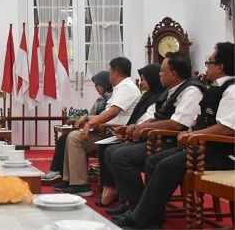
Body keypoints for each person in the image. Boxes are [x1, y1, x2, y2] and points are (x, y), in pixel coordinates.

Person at [114, 42, 235, 229]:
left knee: (165, 165)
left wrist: (194, 135)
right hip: (205, 147)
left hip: (223, 153)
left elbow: (227, 128)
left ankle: (140, 220)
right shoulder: (217, 88)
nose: (207, 65)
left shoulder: (231, 90)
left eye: (209, 62)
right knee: (154, 161)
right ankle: (152, 219)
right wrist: (193, 131)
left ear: (220, 67)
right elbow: (203, 119)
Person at [105, 51, 205, 218]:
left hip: (172, 142)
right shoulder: (169, 91)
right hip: (159, 138)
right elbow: (154, 115)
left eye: (162, 71)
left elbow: (178, 124)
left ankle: (139, 209)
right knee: (111, 151)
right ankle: (132, 203)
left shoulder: (191, 90)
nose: (159, 74)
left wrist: (145, 129)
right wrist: (136, 126)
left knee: (122, 156)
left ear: (173, 74)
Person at [53, 57, 141, 196]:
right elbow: (107, 113)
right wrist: (87, 117)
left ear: (116, 73)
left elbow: (113, 112)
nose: (109, 74)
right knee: (72, 136)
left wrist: (89, 123)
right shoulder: (120, 88)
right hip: (107, 129)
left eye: (110, 71)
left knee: (75, 138)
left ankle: (81, 185)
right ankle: (70, 180)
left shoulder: (127, 88)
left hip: (117, 132)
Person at [96, 63, 165, 207]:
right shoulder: (147, 96)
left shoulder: (159, 97)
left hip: (154, 139)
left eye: (145, 79)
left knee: (116, 152)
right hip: (137, 134)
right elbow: (139, 119)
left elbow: (152, 120)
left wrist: (132, 132)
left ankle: (135, 203)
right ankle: (125, 199)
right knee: (110, 149)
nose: (143, 83)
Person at [42, 71, 113, 183]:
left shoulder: (112, 98)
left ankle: (59, 172)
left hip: (103, 132)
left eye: (97, 85)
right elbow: (91, 115)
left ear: (105, 84)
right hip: (93, 129)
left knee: (68, 138)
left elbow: (103, 117)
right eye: (94, 85)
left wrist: (88, 122)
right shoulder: (100, 99)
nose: (95, 88)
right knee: (63, 138)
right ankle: (58, 172)